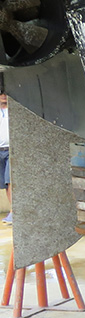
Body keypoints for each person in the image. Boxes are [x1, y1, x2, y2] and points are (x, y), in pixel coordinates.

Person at [0, 92, 10, 225]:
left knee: (10, 182)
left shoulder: (13, 111)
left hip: (10, 150)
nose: (3, 95)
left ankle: (13, 212)